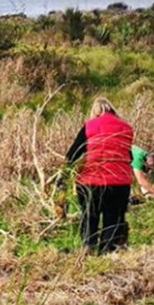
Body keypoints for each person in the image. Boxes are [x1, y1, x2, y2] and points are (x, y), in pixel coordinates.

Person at [64, 97, 135, 253]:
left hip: (91, 181)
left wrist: (64, 174)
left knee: (90, 215)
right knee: (113, 217)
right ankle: (108, 251)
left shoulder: (90, 126)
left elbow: (72, 155)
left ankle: (88, 246)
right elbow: (130, 157)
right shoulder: (127, 128)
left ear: (95, 111)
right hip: (119, 182)